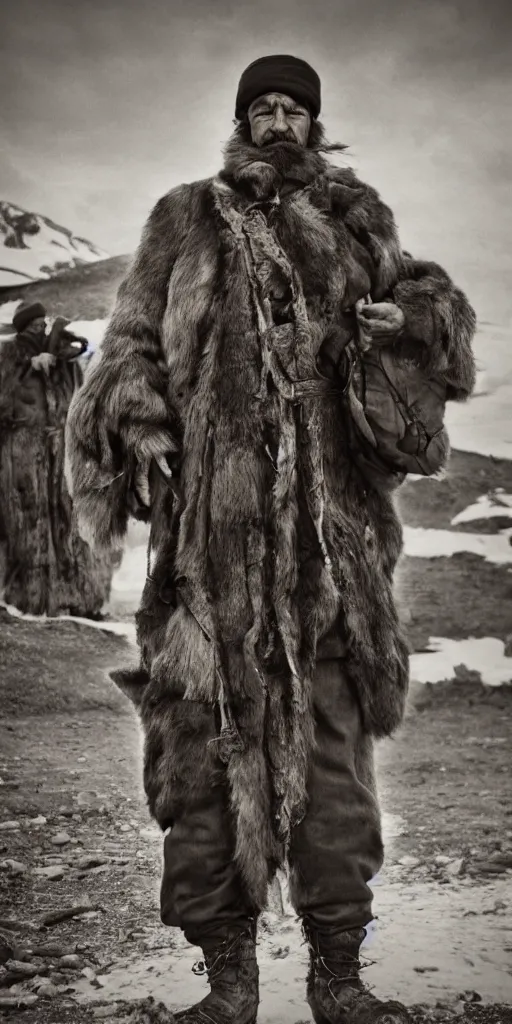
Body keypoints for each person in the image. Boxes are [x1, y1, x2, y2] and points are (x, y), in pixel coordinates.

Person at [65, 55, 476, 1024]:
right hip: (209, 549)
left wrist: (405, 314)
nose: (279, 119)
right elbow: (128, 345)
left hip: (333, 552)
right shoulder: (184, 219)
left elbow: (441, 324)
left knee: (333, 763)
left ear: (314, 123)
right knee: (203, 759)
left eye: (294, 107)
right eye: (263, 106)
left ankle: (337, 977)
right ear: (243, 120)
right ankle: (229, 983)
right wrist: (144, 427)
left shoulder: (356, 218)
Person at [0, 300, 113, 617]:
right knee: (29, 521)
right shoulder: (9, 355)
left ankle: (76, 599)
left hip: (58, 448)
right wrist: (29, 367)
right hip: (21, 451)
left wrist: (62, 353)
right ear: (23, 328)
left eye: (42, 322)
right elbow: (4, 399)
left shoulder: (59, 352)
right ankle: (29, 600)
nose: (41, 327)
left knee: (65, 517)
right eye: (33, 324)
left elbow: (81, 379)